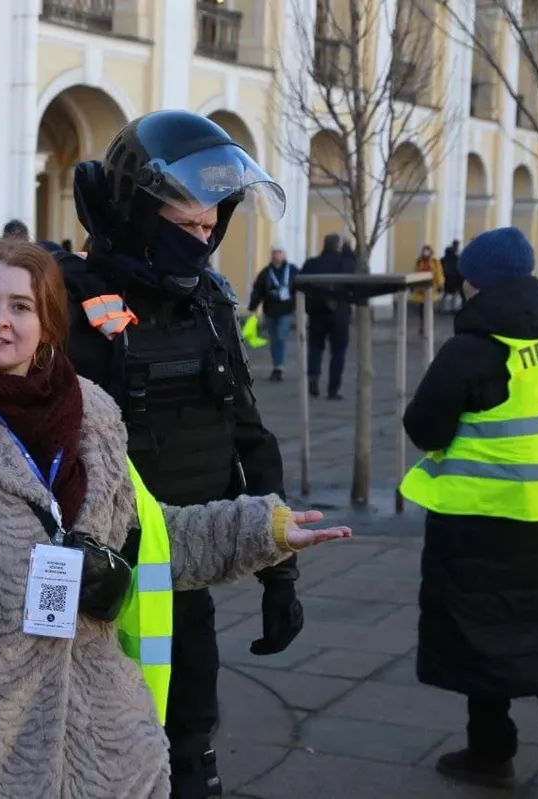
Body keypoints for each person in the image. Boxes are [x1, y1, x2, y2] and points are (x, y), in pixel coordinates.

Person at [0, 239, 352, 798]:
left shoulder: (93, 414)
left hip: (102, 744)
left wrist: (260, 530)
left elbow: (152, 535)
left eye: (21, 307)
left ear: (49, 324)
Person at [56, 110, 302, 799]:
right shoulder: (66, 301)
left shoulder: (209, 304)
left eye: (209, 228)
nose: (201, 243)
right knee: (92, 758)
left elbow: (249, 436)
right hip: (90, 586)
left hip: (187, 577)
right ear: (139, 212)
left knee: (191, 744)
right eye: (185, 225)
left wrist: (280, 573)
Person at [400, 226, 538, 790]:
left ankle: (491, 753)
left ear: (474, 283)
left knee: (480, 636)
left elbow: (424, 428)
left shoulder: (471, 348)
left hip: (481, 525)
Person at [300, 233, 356, 400]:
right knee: (338, 352)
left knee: (315, 347)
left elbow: (301, 283)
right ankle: (333, 389)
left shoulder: (312, 263)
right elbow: (354, 270)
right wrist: (348, 249)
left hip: (317, 312)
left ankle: (313, 377)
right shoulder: (346, 263)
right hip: (339, 313)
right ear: (339, 247)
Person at [247, 244, 299, 381]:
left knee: (280, 338)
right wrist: (252, 306)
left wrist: (300, 307)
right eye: (275, 253)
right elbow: (258, 290)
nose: (277, 255)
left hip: (286, 311)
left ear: (284, 254)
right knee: (274, 339)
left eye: (280, 252)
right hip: (270, 311)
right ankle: (276, 365)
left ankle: (279, 367)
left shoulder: (292, 270)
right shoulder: (266, 272)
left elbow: (299, 289)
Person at [412, 244, 444, 336]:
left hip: (431, 290)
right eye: (424, 250)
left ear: (430, 252)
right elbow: (414, 273)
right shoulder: (418, 261)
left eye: (427, 250)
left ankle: (428, 327)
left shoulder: (435, 261)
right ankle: (422, 326)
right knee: (421, 311)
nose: (425, 252)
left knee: (429, 310)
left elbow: (439, 273)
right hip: (420, 290)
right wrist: (412, 286)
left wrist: (440, 284)